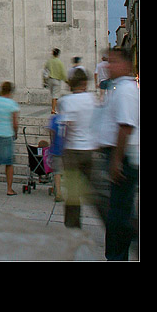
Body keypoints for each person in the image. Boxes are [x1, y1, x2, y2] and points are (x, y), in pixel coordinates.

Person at [94, 46, 139, 261]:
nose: (108, 66)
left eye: (113, 62)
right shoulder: (117, 88)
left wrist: (116, 161)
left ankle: (117, 256)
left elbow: (126, 126)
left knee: (118, 215)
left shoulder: (126, 90)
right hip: (116, 156)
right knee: (119, 211)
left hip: (123, 159)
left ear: (127, 65)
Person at [58, 68, 97, 227]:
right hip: (89, 150)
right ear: (84, 83)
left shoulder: (65, 101)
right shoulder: (93, 99)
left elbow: (65, 126)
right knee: (90, 191)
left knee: (73, 194)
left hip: (72, 151)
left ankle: (73, 226)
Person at [47, 109, 65, 202]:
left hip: (57, 148)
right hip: (68, 148)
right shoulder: (71, 117)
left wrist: (52, 142)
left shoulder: (55, 118)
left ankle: (58, 193)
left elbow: (51, 130)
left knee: (57, 171)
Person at [44, 48, 67, 113]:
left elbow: (45, 70)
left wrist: (44, 81)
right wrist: (66, 80)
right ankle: (53, 109)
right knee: (55, 95)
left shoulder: (49, 61)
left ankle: (54, 108)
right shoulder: (59, 62)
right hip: (57, 80)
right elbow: (62, 72)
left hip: (50, 80)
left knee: (53, 94)